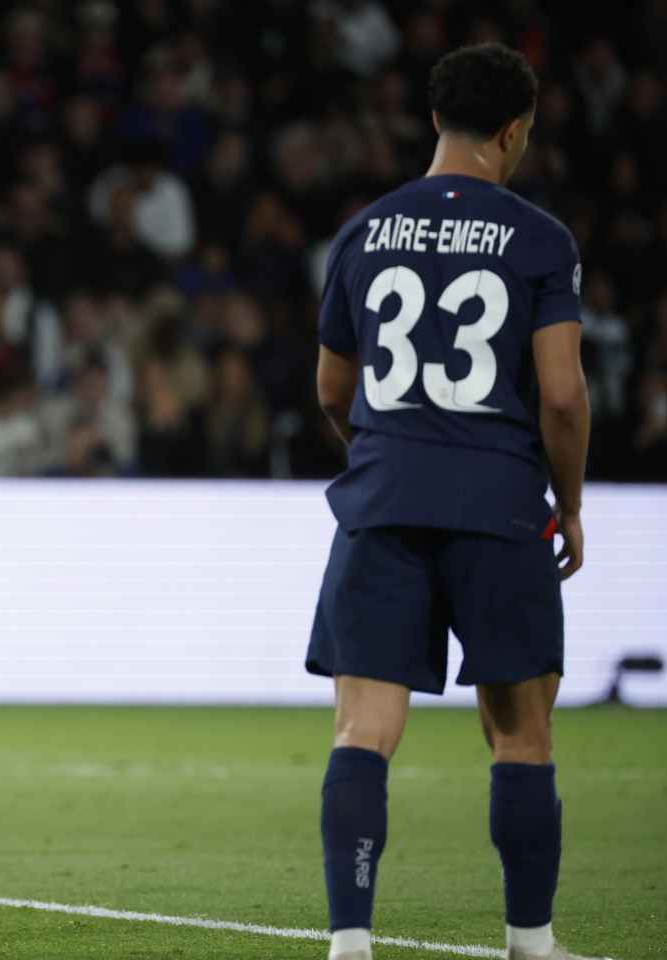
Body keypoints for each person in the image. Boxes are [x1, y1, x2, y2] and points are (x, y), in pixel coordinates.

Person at [307, 43, 603, 960]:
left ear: (436, 120)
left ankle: (349, 941)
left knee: (364, 729)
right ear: (514, 131)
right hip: (500, 508)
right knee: (520, 734)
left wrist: (388, 460)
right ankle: (530, 939)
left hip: (384, 503)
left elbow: (329, 387)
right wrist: (571, 503)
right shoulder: (540, 238)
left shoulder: (363, 233)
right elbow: (560, 394)